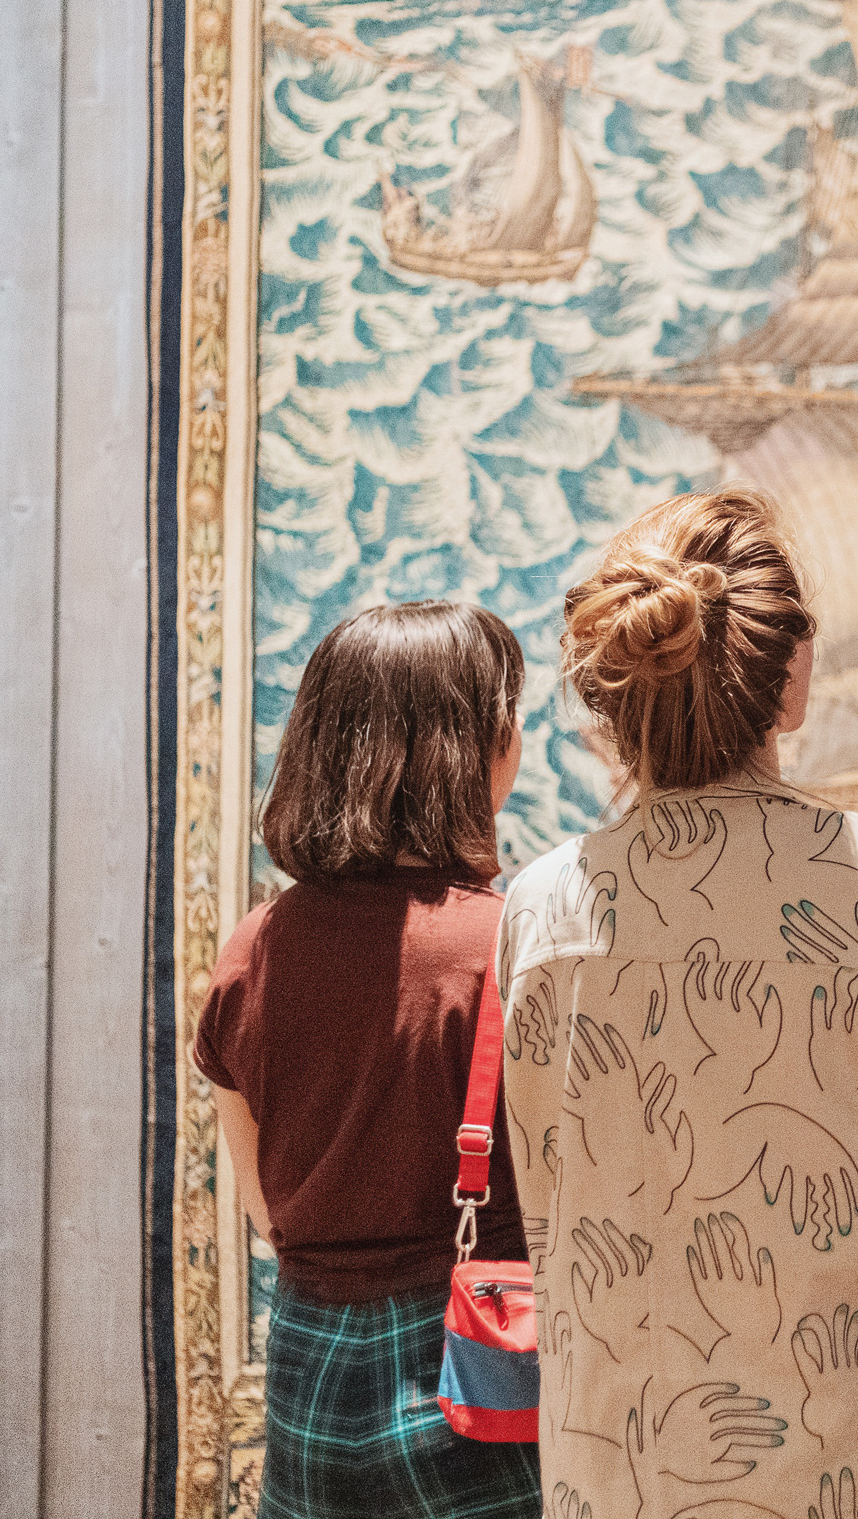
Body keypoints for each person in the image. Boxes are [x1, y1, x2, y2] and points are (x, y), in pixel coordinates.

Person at [499, 487, 858, 1519]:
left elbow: (551, 1199)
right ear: (794, 672)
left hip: (622, 1462)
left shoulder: (543, 905)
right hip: (851, 1455)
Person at [193, 600, 540, 1519]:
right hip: (480, 1373)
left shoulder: (252, 949)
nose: (518, 734)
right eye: (503, 713)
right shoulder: (513, 945)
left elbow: (268, 1213)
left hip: (311, 1375)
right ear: (464, 749)